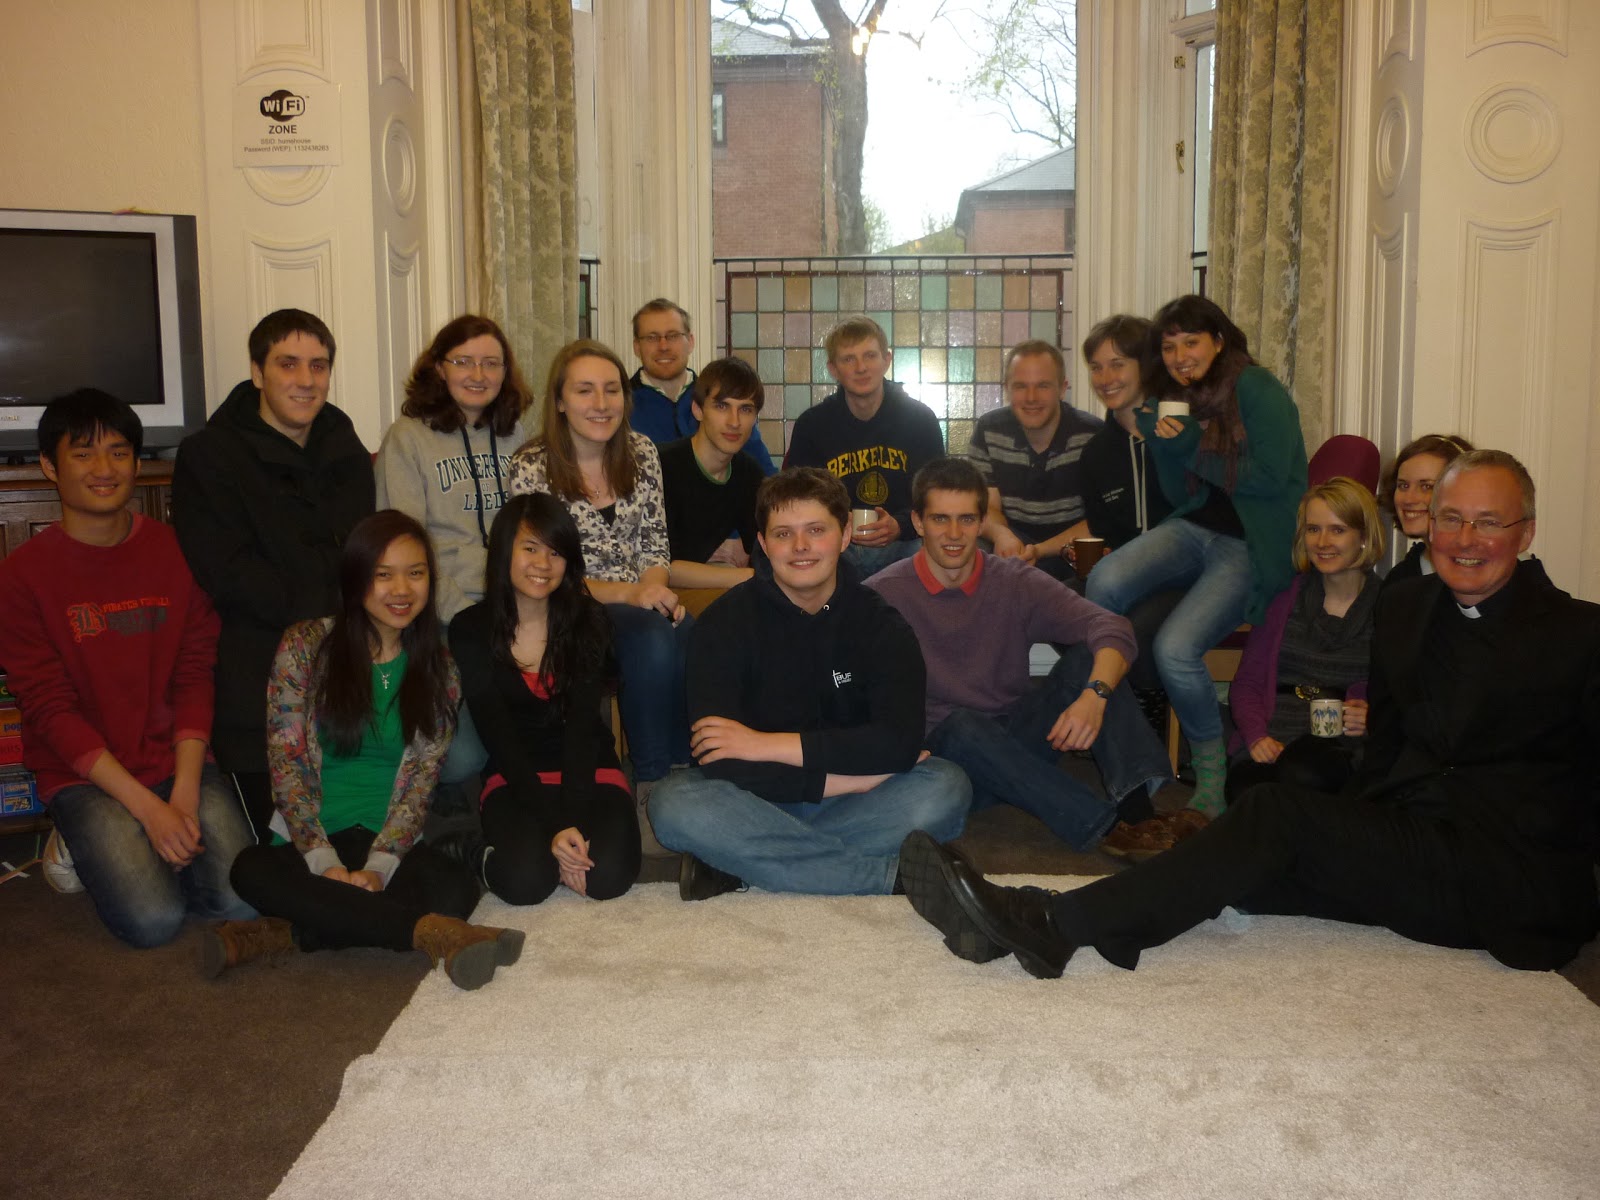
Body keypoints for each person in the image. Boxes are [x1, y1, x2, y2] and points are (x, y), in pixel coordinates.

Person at [900, 449, 1600, 980]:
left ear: (1527, 530)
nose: (1465, 540)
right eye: (1451, 519)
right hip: (1417, 849)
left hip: (1509, 876)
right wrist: (1355, 832)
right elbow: (1389, 745)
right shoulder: (1411, 608)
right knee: (1249, 868)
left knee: (1277, 816)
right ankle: (1092, 922)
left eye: (1488, 523)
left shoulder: (1579, 635)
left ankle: (1054, 920)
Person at [212, 511, 523, 990]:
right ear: (356, 577)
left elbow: (420, 786)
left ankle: (285, 934)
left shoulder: (440, 669)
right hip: (308, 841)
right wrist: (324, 864)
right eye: (384, 574)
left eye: (415, 573)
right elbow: (288, 767)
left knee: (456, 886)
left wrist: (378, 869)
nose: (401, 589)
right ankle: (432, 934)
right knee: (248, 870)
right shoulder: (303, 647)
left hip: (387, 841)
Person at [0, 390, 254, 947]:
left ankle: (142, 844)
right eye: (84, 454)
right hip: (86, 775)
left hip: (174, 758)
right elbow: (49, 709)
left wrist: (183, 795)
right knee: (152, 921)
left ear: (137, 464)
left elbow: (194, 674)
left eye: (118, 453)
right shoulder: (21, 577)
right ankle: (75, 837)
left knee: (240, 899)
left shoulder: (175, 551)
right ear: (49, 466)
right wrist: (147, 810)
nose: (104, 469)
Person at [647, 467, 971, 899]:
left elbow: (898, 744)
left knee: (946, 787)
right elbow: (719, 761)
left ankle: (738, 863)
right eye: (783, 534)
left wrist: (762, 744)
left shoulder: (882, 626)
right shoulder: (723, 625)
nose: (800, 547)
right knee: (672, 803)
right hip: (755, 798)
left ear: (844, 534)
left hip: (850, 805)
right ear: (762, 543)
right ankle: (884, 878)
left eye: (815, 530)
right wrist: (847, 779)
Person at [865, 458, 1171, 857]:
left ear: (981, 524)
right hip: (947, 761)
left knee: (1085, 661)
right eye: (941, 519)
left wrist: (1094, 696)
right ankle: (1104, 825)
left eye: (967, 520)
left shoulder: (1013, 580)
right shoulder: (884, 595)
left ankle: (1140, 814)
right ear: (919, 523)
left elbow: (1111, 627)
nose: (954, 534)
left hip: (1019, 738)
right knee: (962, 725)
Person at [1084, 295, 1307, 818]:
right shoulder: (1182, 396)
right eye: (1170, 346)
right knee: (1104, 581)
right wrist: (1165, 446)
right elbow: (1177, 488)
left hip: (1250, 541)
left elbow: (1272, 477)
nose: (1181, 355)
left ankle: (1210, 766)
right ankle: (1127, 733)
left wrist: (1193, 450)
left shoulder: (1255, 386)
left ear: (1218, 340)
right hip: (1195, 526)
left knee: (1175, 649)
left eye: (1191, 342)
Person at [173, 309, 375, 840]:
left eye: (319, 366)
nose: (306, 381)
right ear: (258, 372)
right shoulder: (209, 455)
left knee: (361, 833)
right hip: (259, 670)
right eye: (289, 364)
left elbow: (364, 552)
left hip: (347, 660)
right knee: (289, 850)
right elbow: (229, 574)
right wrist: (327, 619)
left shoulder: (342, 440)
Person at [505, 339, 692, 849]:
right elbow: (538, 570)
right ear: (560, 400)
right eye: (585, 390)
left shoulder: (643, 451)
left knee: (699, 636)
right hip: (567, 608)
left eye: (612, 389)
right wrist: (632, 596)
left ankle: (691, 773)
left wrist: (655, 589)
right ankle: (652, 784)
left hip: (639, 599)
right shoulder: (532, 466)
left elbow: (656, 541)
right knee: (654, 639)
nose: (602, 403)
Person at [449, 495, 639, 904]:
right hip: (515, 777)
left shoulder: (589, 621)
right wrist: (557, 827)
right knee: (526, 883)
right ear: (504, 551)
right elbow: (499, 737)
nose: (543, 563)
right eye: (530, 548)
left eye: (555, 552)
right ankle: (471, 850)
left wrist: (571, 820)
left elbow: (583, 731)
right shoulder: (469, 630)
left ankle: (562, 842)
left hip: (589, 771)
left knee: (608, 879)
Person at [1222, 477, 1384, 809]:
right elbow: (1248, 683)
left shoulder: (1388, 605)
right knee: (1247, 791)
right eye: (1313, 529)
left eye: (1337, 530)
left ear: (1364, 537)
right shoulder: (1286, 597)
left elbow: (1398, 689)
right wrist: (1255, 737)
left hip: (1338, 745)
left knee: (1302, 774)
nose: (1322, 541)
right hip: (1273, 731)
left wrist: (1369, 712)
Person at [375, 314, 535, 621]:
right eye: (463, 362)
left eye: (491, 363)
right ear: (439, 369)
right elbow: (405, 549)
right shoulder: (407, 438)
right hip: (442, 606)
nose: (478, 375)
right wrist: (461, 614)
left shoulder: (514, 435)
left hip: (515, 598)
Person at [1077, 315, 1180, 732]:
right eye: (1097, 367)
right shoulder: (1096, 454)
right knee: (1056, 607)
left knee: (1133, 628)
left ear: (1146, 365)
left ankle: (1148, 715)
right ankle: (1097, 710)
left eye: (1118, 363)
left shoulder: (1181, 433)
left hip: (1184, 575)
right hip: (1123, 575)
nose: (1106, 377)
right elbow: (1106, 535)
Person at [784, 317, 946, 575]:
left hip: (906, 546)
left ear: (887, 360)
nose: (861, 368)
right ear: (833, 369)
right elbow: (796, 498)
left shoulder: (921, 420)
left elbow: (938, 495)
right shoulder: (812, 425)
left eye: (870, 355)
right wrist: (836, 520)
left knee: (935, 554)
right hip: (835, 549)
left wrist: (901, 525)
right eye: (849, 359)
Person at [966, 339, 1104, 584]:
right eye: (1020, 386)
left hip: (1071, 553)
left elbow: (1099, 521)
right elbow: (986, 508)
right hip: (1013, 546)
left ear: (1062, 389)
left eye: (1043, 386)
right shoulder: (989, 431)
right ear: (1007, 388)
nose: (1031, 397)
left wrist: (1039, 550)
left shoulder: (1092, 436)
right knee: (968, 547)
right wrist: (1002, 536)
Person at [629, 298, 776, 475]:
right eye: (652, 338)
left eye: (673, 335)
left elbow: (765, 476)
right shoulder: (621, 406)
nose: (663, 346)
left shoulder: (721, 398)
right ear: (637, 347)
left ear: (690, 341)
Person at [658, 356, 764, 590]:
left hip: (703, 585)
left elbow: (762, 549)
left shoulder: (748, 473)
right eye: (721, 406)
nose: (734, 422)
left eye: (745, 409)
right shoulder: (661, 466)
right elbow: (659, 567)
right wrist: (747, 578)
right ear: (697, 410)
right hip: (654, 595)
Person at [1378, 433, 1474, 586]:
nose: (1409, 499)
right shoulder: (1400, 579)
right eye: (1403, 485)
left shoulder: (1491, 571)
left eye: (1427, 487)